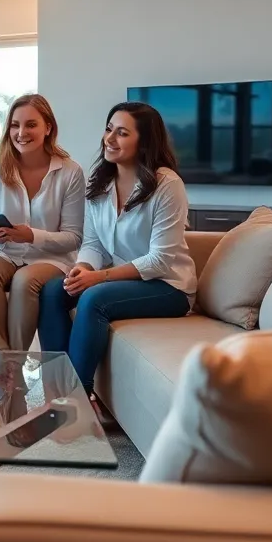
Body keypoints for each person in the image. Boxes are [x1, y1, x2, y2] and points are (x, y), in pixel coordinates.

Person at [36, 101, 197, 399]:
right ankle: (55, 389)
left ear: (145, 141)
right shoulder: (100, 183)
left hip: (168, 286)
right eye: (109, 129)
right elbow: (94, 243)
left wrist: (99, 278)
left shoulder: (167, 185)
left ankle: (77, 399)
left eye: (122, 133)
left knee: (95, 298)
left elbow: (160, 260)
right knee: (53, 291)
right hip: (120, 281)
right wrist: (84, 268)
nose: (109, 138)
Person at [0, 94, 86, 352]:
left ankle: (16, 359)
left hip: (53, 258)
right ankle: (2, 355)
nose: (21, 132)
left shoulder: (70, 172)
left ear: (48, 128)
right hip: (7, 253)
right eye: (15, 125)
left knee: (25, 280)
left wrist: (31, 236)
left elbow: (73, 237)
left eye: (31, 125)